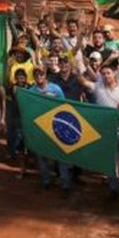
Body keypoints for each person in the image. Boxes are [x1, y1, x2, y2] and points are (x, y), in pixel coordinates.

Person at [79, 64, 119, 201]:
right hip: (107, 132)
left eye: (108, 72)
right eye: (103, 73)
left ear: (115, 73)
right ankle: (113, 188)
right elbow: (83, 81)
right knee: (111, 163)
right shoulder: (98, 87)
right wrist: (76, 66)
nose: (106, 75)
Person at [31, 67, 72, 195]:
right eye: (36, 74)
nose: (39, 76)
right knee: (41, 156)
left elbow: (64, 106)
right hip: (40, 128)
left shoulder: (56, 89)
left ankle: (65, 184)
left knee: (61, 157)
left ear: (45, 75)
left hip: (56, 127)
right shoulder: (31, 91)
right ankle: (46, 181)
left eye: (41, 74)